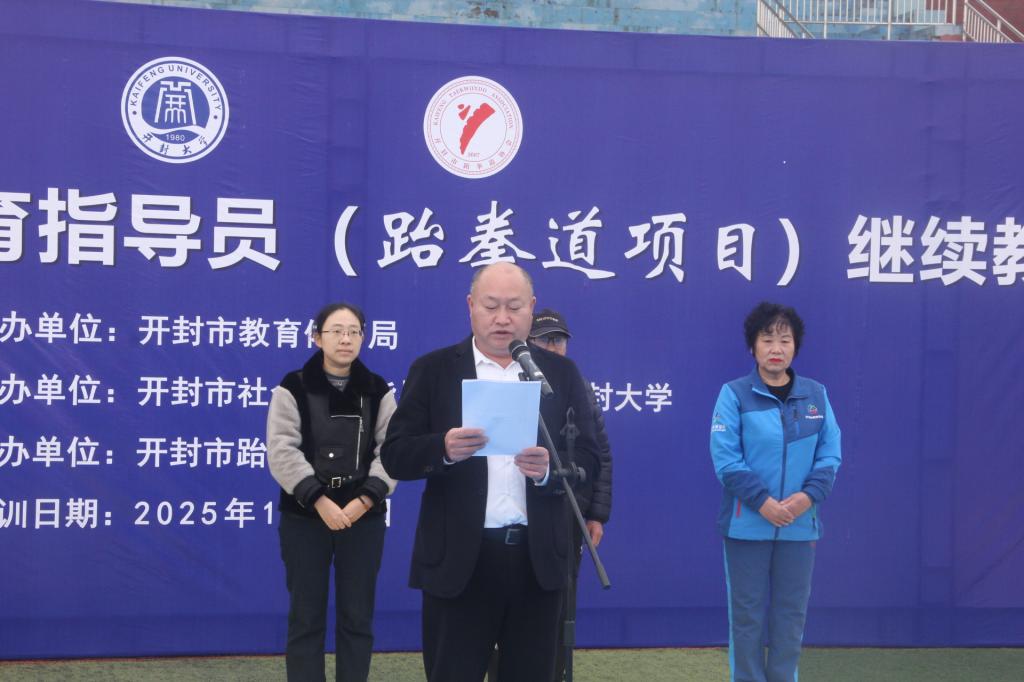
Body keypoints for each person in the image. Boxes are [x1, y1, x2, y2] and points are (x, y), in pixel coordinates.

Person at [380, 262, 600, 682]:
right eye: (491, 306)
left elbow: (589, 457)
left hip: (537, 563)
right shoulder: (434, 370)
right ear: (470, 306)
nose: (502, 318)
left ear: (531, 308)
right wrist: (442, 448)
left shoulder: (560, 374)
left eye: (514, 307)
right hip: (460, 563)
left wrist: (550, 470)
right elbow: (394, 455)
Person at [709, 302, 841, 682]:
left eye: (785, 339)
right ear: (753, 347)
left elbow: (830, 455)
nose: (776, 348)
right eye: (767, 339)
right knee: (746, 618)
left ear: (796, 346)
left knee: (790, 616)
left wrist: (806, 498)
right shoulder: (733, 395)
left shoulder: (816, 395)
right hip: (746, 527)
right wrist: (763, 503)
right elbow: (726, 461)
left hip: (799, 527)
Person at [267, 302, 398, 682]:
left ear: (363, 338)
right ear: (316, 337)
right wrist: (318, 499)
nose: (345, 339)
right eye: (336, 331)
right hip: (305, 516)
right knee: (306, 617)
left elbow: (391, 450)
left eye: (354, 331)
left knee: (357, 617)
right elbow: (281, 449)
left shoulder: (378, 390)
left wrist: (365, 500)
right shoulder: (292, 387)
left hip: (363, 518)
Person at [528, 308, 612, 682]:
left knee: (561, 609)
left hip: (568, 515)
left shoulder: (578, 385)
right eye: (545, 340)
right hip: (520, 516)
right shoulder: (511, 384)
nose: (553, 347)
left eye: (558, 340)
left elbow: (600, 454)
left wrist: (596, 514)